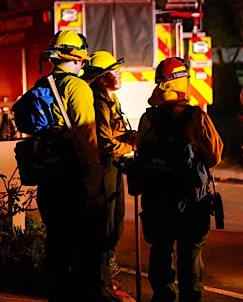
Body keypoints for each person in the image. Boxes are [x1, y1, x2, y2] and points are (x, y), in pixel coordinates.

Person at [136, 57, 223, 302]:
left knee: (160, 249)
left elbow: (141, 153)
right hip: (190, 199)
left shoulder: (147, 119)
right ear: (179, 83)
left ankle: (163, 297)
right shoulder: (195, 117)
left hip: (155, 198)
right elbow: (214, 154)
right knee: (190, 252)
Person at [34, 29, 109, 301]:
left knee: (56, 245)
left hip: (49, 179)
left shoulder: (41, 84)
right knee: (86, 248)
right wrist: (95, 172)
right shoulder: (78, 87)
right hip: (74, 180)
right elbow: (86, 135)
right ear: (76, 58)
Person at [83, 50, 136, 302]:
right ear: (103, 78)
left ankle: (104, 278)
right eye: (114, 71)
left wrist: (126, 137)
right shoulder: (99, 102)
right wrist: (132, 146)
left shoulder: (109, 99)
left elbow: (113, 134)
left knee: (114, 226)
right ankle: (99, 284)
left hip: (113, 168)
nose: (119, 74)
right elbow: (105, 143)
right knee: (104, 226)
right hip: (105, 168)